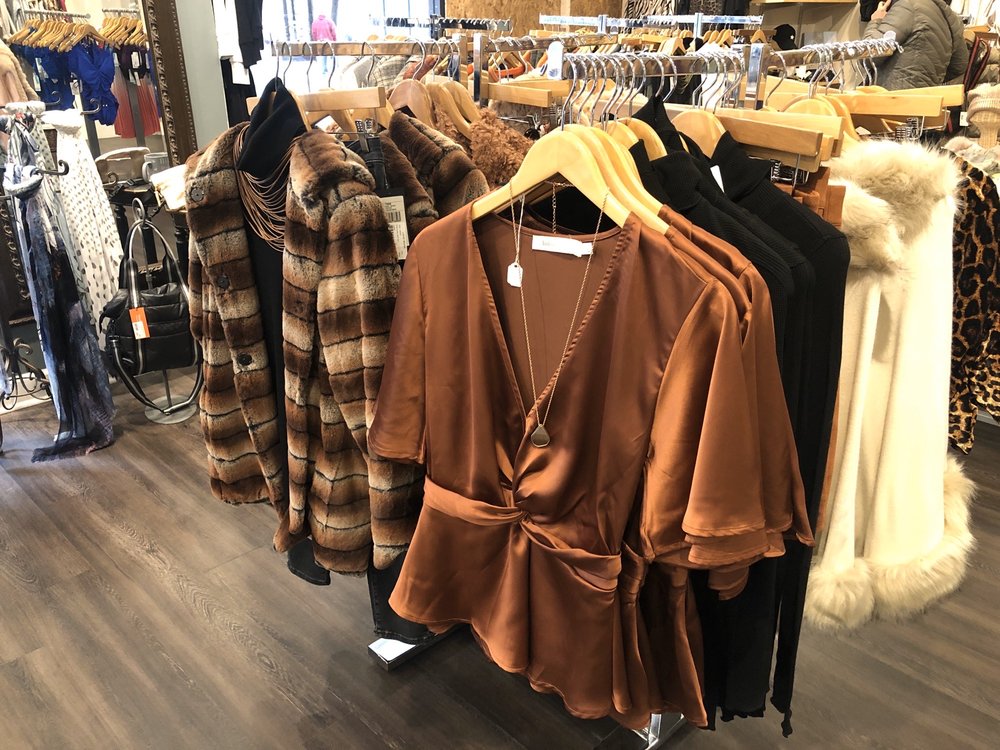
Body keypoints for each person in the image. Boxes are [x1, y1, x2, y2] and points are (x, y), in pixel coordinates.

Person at [863, 0, 970, 90]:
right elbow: (959, 65)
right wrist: (925, 80)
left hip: (893, 100)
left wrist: (876, 21)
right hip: (926, 101)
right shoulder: (948, 15)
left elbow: (868, 56)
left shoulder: (906, 7)